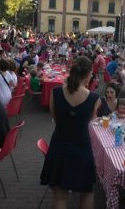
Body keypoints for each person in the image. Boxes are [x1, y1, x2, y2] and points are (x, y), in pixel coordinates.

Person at [40, 56, 100, 209]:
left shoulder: (56, 92)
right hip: (82, 148)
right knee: (87, 192)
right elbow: (88, 123)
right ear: (88, 75)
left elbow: (56, 119)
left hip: (59, 145)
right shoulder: (95, 98)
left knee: (60, 198)